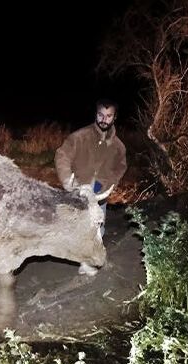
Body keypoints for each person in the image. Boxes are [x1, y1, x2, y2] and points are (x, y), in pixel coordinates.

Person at [55, 98, 127, 275]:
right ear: (96, 114)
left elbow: (121, 166)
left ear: (114, 118)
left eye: (108, 116)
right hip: (78, 192)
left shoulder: (119, 146)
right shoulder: (79, 137)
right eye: (100, 115)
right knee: (74, 226)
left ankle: (88, 262)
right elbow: (62, 155)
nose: (104, 119)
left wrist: (111, 183)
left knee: (97, 229)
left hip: (100, 194)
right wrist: (67, 181)